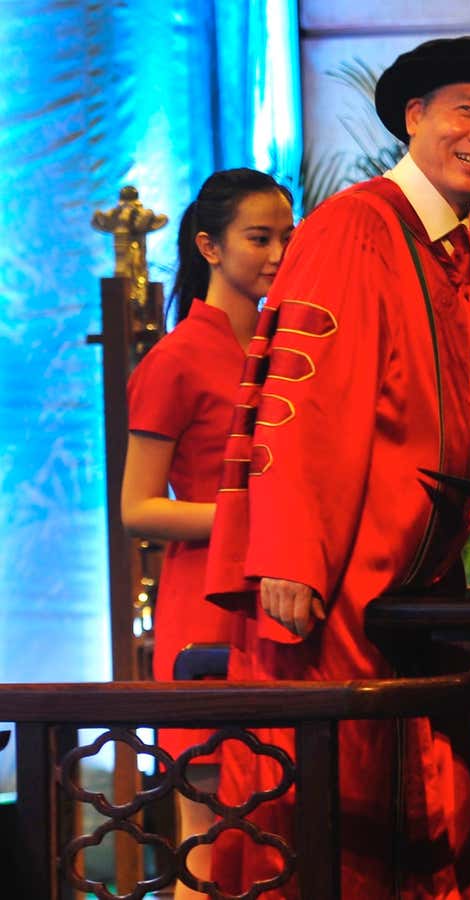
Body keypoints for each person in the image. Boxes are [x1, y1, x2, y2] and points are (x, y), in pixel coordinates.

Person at [202, 36, 470, 898]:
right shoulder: (352, 229)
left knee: (412, 811)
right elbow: (303, 398)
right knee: (324, 812)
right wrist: (291, 551)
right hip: (334, 583)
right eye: (466, 111)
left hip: (415, 588)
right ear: (415, 117)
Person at [121, 168, 293, 899]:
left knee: (275, 837)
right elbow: (136, 507)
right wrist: (251, 516)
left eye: (288, 237)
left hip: (277, 601)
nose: (279, 253)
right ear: (209, 246)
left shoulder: (288, 351)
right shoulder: (177, 356)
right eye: (260, 238)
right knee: (212, 843)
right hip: (206, 606)